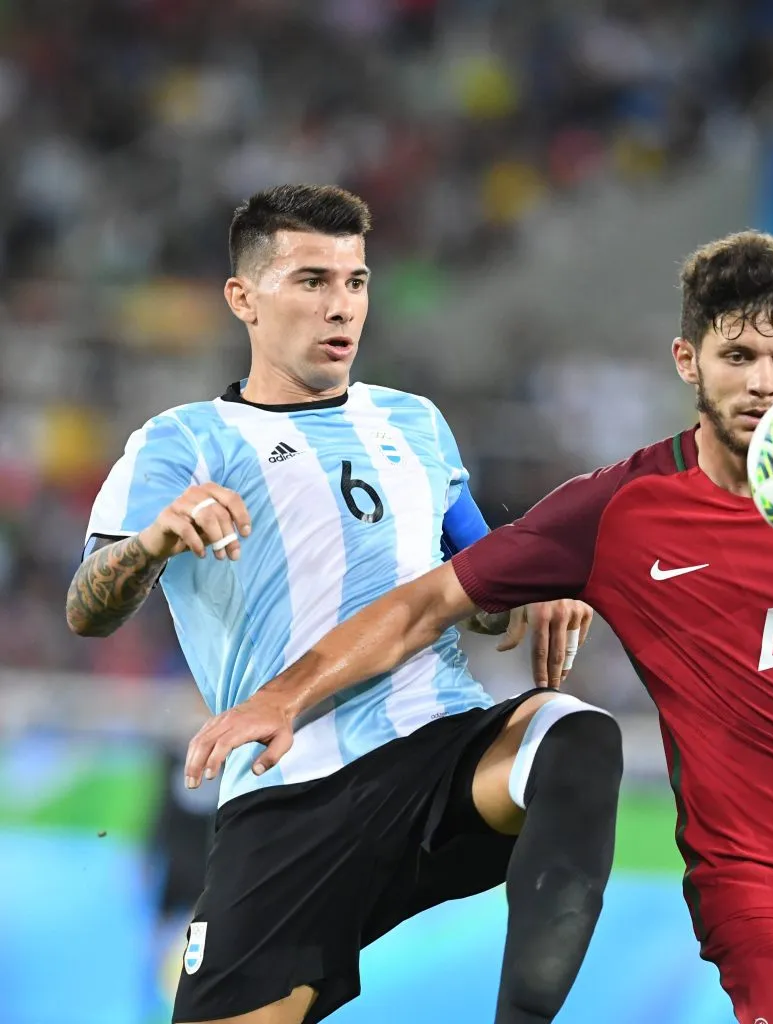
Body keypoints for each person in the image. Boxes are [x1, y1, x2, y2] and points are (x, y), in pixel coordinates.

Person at [185, 230, 773, 1024]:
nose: (762, 384)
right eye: (737, 357)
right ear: (688, 361)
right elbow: (426, 603)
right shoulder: (621, 510)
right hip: (766, 898)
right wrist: (285, 695)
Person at [65, 183, 624, 1024]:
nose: (342, 307)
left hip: (437, 753)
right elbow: (86, 608)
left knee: (574, 734)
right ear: (243, 299)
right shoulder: (182, 441)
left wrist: (534, 589)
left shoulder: (415, 424)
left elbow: (480, 592)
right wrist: (150, 544)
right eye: (312, 281)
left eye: (356, 282)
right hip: (289, 798)